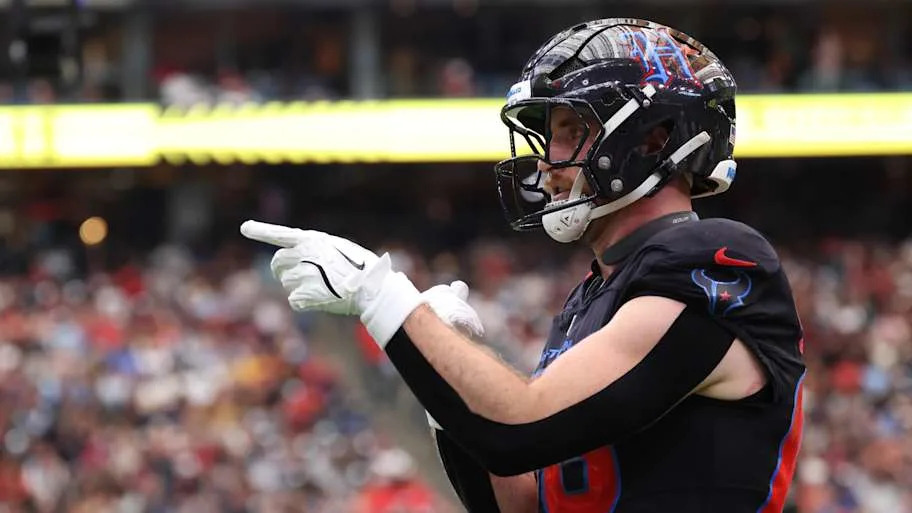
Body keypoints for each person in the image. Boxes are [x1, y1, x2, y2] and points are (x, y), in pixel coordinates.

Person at [241, 18, 806, 513]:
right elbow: (522, 501)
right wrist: (449, 384)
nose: (548, 163)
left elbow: (519, 427)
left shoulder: (718, 260)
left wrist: (382, 296)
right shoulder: (594, 296)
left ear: (652, 139)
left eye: (571, 131)